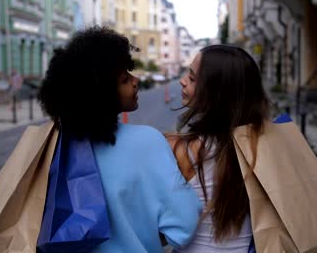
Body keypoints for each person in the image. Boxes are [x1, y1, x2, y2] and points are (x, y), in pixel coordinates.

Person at [37, 26, 202, 252]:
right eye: (125, 79)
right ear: (100, 90)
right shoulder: (147, 141)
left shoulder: (56, 144)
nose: (136, 81)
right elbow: (184, 223)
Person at [167, 45, 270, 252]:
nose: (182, 80)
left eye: (193, 79)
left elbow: (164, 225)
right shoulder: (264, 144)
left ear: (218, 93)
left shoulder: (181, 149)